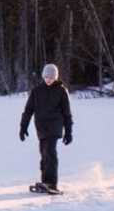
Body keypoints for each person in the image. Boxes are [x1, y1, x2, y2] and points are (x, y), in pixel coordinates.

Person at [19, 63, 73, 194]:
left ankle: (52, 183)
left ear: (56, 77)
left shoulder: (61, 91)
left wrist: (68, 132)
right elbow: (28, 110)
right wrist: (23, 127)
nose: (49, 79)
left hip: (55, 126)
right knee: (44, 154)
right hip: (41, 128)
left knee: (50, 152)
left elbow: (67, 113)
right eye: (47, 77)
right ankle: (45, 182)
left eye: (52, 77)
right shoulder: (37, 91)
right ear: (43, 76)